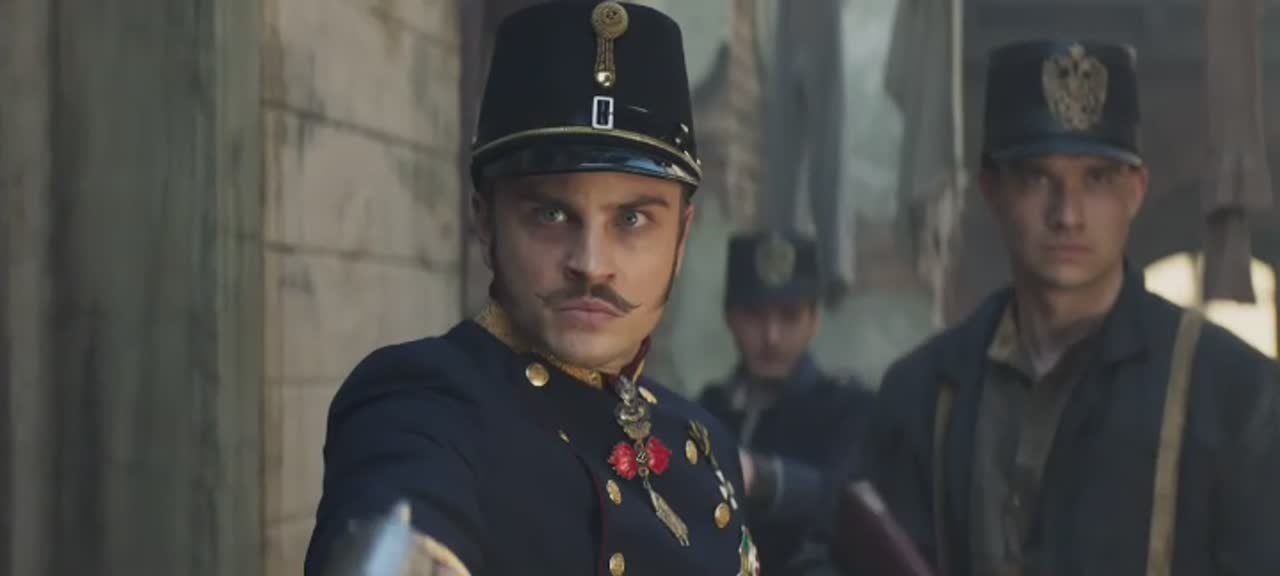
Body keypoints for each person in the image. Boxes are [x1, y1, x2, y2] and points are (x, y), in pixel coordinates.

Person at [303, 2, 760, 575]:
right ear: (486, 221)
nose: (591, 265)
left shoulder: (705, 441)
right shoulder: (424, 403)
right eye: (551, 214)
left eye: (632, 219)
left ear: (682, 238)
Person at [866, 40, 1280, 576]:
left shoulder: (1233, 396)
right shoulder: (925, 392)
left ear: (1136, 191)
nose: (1068, 214)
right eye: (1038, 178)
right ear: (992, 191)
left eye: (1098, 179)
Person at [699, 230, 874, 575]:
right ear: (730, 318)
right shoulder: (709, 411)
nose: (772, 337)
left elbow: (845, 504)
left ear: (814, 321)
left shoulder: (848, 410)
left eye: (789, 316)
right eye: (755, 315)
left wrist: (761, 478)